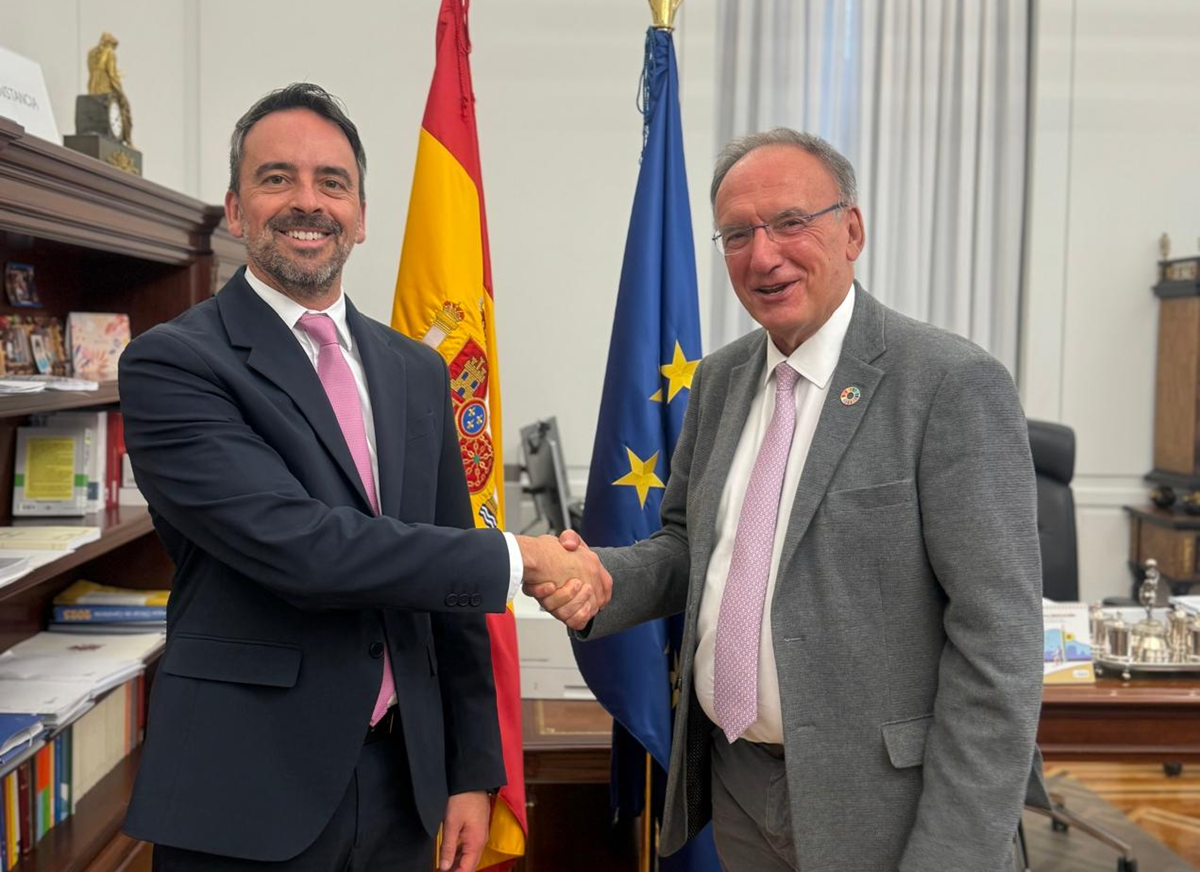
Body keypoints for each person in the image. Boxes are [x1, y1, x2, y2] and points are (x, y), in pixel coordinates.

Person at [119, 83, 608, 872]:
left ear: (362, 215)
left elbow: (448, 590)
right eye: (276, 178)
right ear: (236, 211)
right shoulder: (174, 363)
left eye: (332, 182)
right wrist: (523, 559)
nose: (306, 202)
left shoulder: (415, 371)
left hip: (403, 785)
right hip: (247, 789)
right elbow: (305, 549)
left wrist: (471, 772)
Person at [528, 129, 1046, 872]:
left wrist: (955, 852)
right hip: (740, 785)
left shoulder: (949, 384)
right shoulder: (720, 381)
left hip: (888, 804)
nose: (763, 255)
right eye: (737, 234)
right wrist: (604, 581)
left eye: (790, 223)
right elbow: (689, 546)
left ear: (852, 231)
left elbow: (1000, 647)